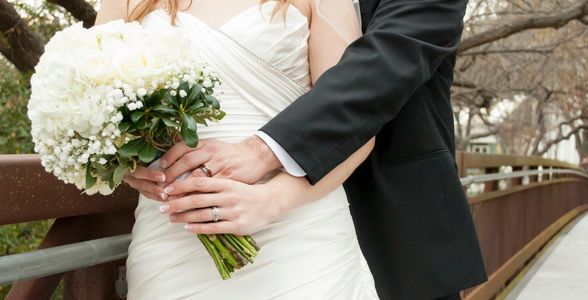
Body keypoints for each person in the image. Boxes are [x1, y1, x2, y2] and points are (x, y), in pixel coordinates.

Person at [121, 0, 489, 299]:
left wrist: (265, 165)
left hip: (373, 225)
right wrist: (127, 160)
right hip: (174, 238)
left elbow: (382, 67)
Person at [97, 0, 380, 298]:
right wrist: (126, 164)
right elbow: (94, 108)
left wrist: (272, 200)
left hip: (299, 234)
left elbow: (354, 124)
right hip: (173, 237)